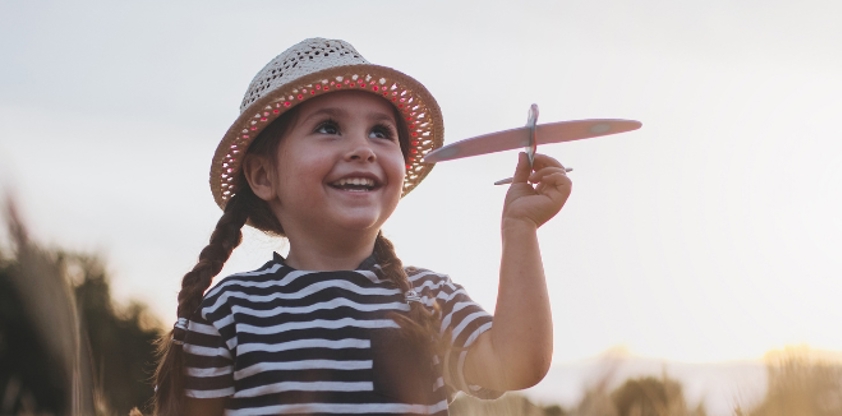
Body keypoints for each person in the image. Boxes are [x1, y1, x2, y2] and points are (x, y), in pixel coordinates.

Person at [153, 37, 572, 416]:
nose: (362, 149)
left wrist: (520, 230)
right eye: (329, 128)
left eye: (380, 132)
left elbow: (517, 364)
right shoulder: (230, 311)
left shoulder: (429, 301)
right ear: (263, 176)